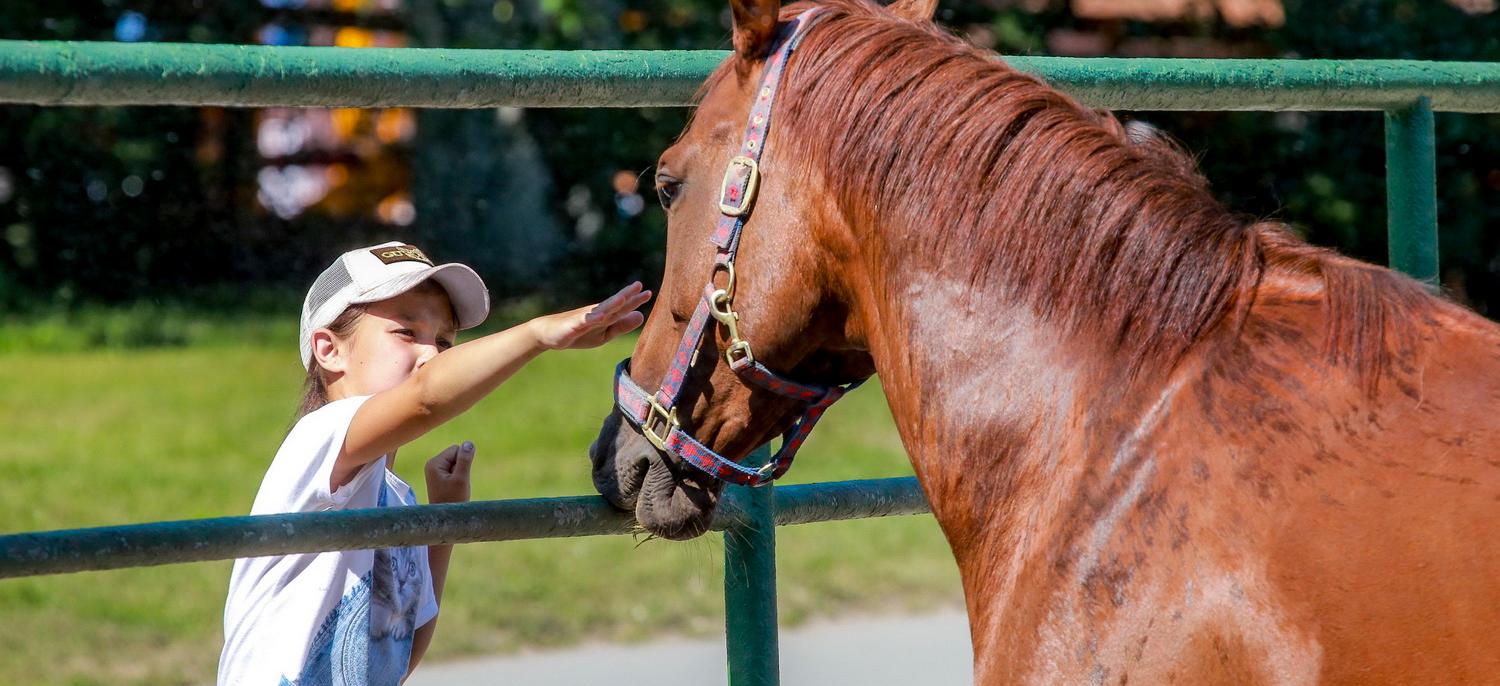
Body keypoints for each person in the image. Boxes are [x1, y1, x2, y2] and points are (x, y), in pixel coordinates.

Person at [217, 241, 650, 685]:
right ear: (329, 350)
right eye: (406, 332)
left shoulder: (397, 498)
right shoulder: (319, 436)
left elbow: (398, 657)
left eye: (444, 341)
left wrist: (443, 521)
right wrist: (537, 335)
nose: (432, 355)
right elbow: (426, 396)